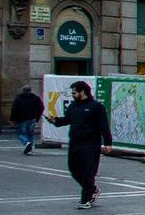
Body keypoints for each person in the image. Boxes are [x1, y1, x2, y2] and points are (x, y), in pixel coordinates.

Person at [47, 80, 111, 208]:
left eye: (74, 93)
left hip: (91, 143)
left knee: (88, 171)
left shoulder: (96, 106)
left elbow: (104, 125)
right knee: (74, 169)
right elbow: (67, 120)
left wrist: (108, 143)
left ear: (82, 92)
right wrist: (55, 120)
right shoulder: (73, 106)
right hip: (75, 142)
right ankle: (92, 189)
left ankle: (86, 199)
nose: (72, 95)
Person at [9, 83, 43, 155]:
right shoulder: (36, 98)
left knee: (21, 133)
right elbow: (41, 107)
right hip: (32, 118)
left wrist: (12, 119)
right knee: (30, 133)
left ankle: (26, 143)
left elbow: (14, 109)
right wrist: (37, 117)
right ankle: (29, 148)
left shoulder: (18, 98)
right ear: (30, 90)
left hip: (22, 118)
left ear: (23, 90)